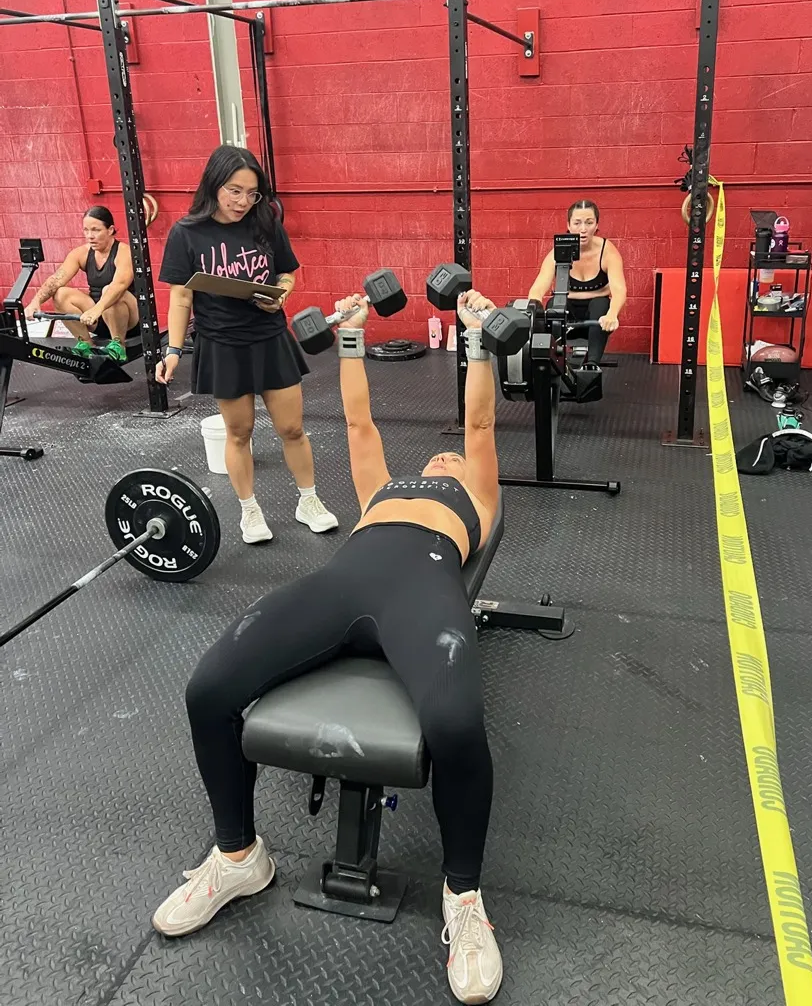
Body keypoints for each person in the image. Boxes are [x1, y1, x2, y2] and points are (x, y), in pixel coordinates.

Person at [151, 290, 504, 1005]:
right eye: (439, 454)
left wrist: (478, 342)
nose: (444, 456)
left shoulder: (479, 494)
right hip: (343, 582)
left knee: (459, 726)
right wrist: (351, 337)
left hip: (424, 593)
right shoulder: (380, 491)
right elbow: (357, 420)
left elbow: (476, 420)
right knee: (209, 690)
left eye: (455, 457)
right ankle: (239, 855)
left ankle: (463, 899)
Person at [156, 144, 338, 541]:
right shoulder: (187, 233)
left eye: (251, 192)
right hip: (223, 344)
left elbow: (288, 273)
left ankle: (309, 501)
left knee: (292, 428)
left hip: (270, 337)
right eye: (234, 191)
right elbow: (181, 297)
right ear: (215, 185)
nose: (243, 201)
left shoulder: (266, 222)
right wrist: (171, 351)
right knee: (240, 433)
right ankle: (249, 511)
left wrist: (280, 294)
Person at [23, 205, 139, 362]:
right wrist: (35, 302)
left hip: (128, 321)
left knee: (109, 290)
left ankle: (119, 346)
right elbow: (56, 279)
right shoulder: (82, 253)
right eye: (86, 230)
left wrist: (97, 309)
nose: (90, 236)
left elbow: (119, 285)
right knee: (60, 294)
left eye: (96, 230)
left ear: (110, 230)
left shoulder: (124, 252)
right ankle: (85, 343)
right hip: (97, 319)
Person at [527, 198, 627, 366]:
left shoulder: (607, 251)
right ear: (568, 225)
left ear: (596, 225)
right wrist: (531, 314)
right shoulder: (556, 253)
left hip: (596, 319)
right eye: (577, 223)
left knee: (602, 305)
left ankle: (592, 365)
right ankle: (553, 365)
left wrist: (612, 314)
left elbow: (619, 290)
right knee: (553, 305)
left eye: (589, 223)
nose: (583, 229)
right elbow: (536, 291)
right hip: (568, 315)